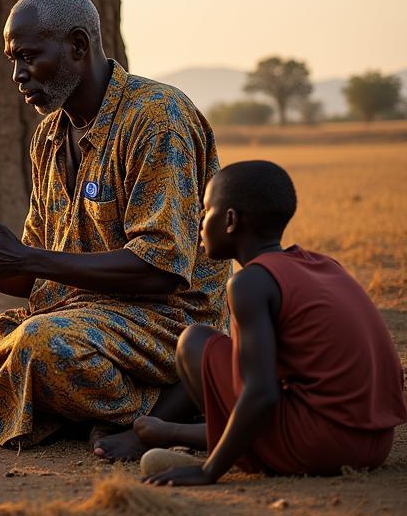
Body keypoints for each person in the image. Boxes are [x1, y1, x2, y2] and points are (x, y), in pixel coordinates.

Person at [0, 0, 230, 457]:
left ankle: (169, 403)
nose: (18, 74)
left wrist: (27, 258)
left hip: (164, 324)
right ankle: (87, 411)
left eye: (29, 57)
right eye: (12, 61)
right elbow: (44, 268)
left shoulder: (157, 119)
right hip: (74, 321)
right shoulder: (48, 138)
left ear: (78, 46)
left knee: (41, 343)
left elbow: (161, 271)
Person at [140, 160, 407, 486]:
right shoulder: (324, 265)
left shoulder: (250, 283)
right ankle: (191, 434)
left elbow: (262, 393)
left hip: (322, 448)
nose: (199, 221)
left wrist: (209, 471)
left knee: (194, 342)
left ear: (230, 220)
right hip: (376, 445)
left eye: (206, 210)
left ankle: (219, 446)